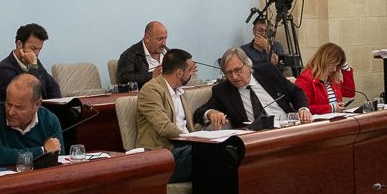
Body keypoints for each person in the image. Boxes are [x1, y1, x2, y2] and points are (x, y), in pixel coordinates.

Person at [193, 47, 311, 129]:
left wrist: (303, 109)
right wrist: (211, 113)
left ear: (248, 65)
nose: (234, 77)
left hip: (287, 127)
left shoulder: (268, 72)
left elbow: (295, 92)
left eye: (237, 70)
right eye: (228, 73)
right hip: (256, 137)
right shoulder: (223, 91)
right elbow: (199, 113)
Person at [135, 48, 198, 182]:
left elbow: (188, 126)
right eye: (189, 71)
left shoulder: (181, 92)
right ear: (179, 73)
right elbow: (164, 127)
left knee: (218, 152)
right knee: (203, 155)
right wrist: (194, 140)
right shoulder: (151, 90)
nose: (191, 75)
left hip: (185, 148)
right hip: (163, 154)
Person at [0, 74, 64, 165]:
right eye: (8, 104)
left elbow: (59, 159)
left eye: (19, 108)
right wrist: (42, 151)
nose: (11, 112)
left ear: (37, 104)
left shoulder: (49, 120)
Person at [0, 23, 61, 99]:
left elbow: (52, 86)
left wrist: (56, 104)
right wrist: (33, 66)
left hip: (43, 105)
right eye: (33, 48)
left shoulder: (35, 61)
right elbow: (27, 96)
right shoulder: (4, 69)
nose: (37, 54)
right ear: (19, 44)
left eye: (39, 49)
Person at [294, 43, 355, 113]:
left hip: (337, 117)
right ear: (324, 62)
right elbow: (303, 108)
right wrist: (331, 108)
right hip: (320, 119)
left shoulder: (331, 78)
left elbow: (350, 92)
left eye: (337, 66)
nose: (335, 69)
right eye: (333, 65)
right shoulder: (305, 79)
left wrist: (346, 68)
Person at [116, 21, 167, 88]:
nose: (164, 43)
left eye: (165, 38)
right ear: (147, 38)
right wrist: (151, 76)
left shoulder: (168, 54)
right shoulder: (130, 54)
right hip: (147, 92)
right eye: (160, 39)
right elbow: (123, 78)